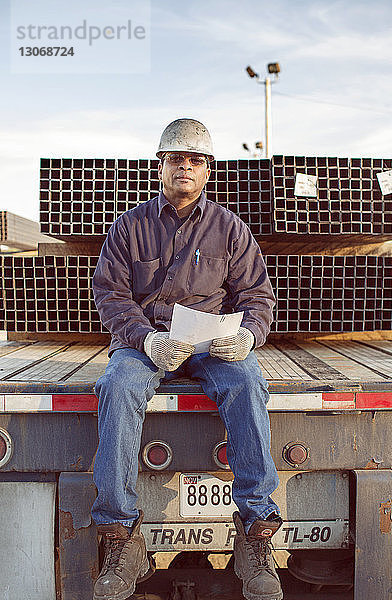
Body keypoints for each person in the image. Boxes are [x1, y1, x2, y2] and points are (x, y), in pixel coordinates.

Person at [91, 118, 283, 600]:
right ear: (161, 164)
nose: (185, 167)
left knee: (247, 383)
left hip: (211, 344)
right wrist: (144, 339)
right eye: (176, 158)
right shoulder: (130, 227)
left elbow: (258, 297)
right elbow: (110, 294)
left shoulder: (229, 229)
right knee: (116, 386)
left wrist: (249, 336)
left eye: (195, 160)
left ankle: (257, 532)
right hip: (150, 342)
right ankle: (121, 538)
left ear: (207, 170)